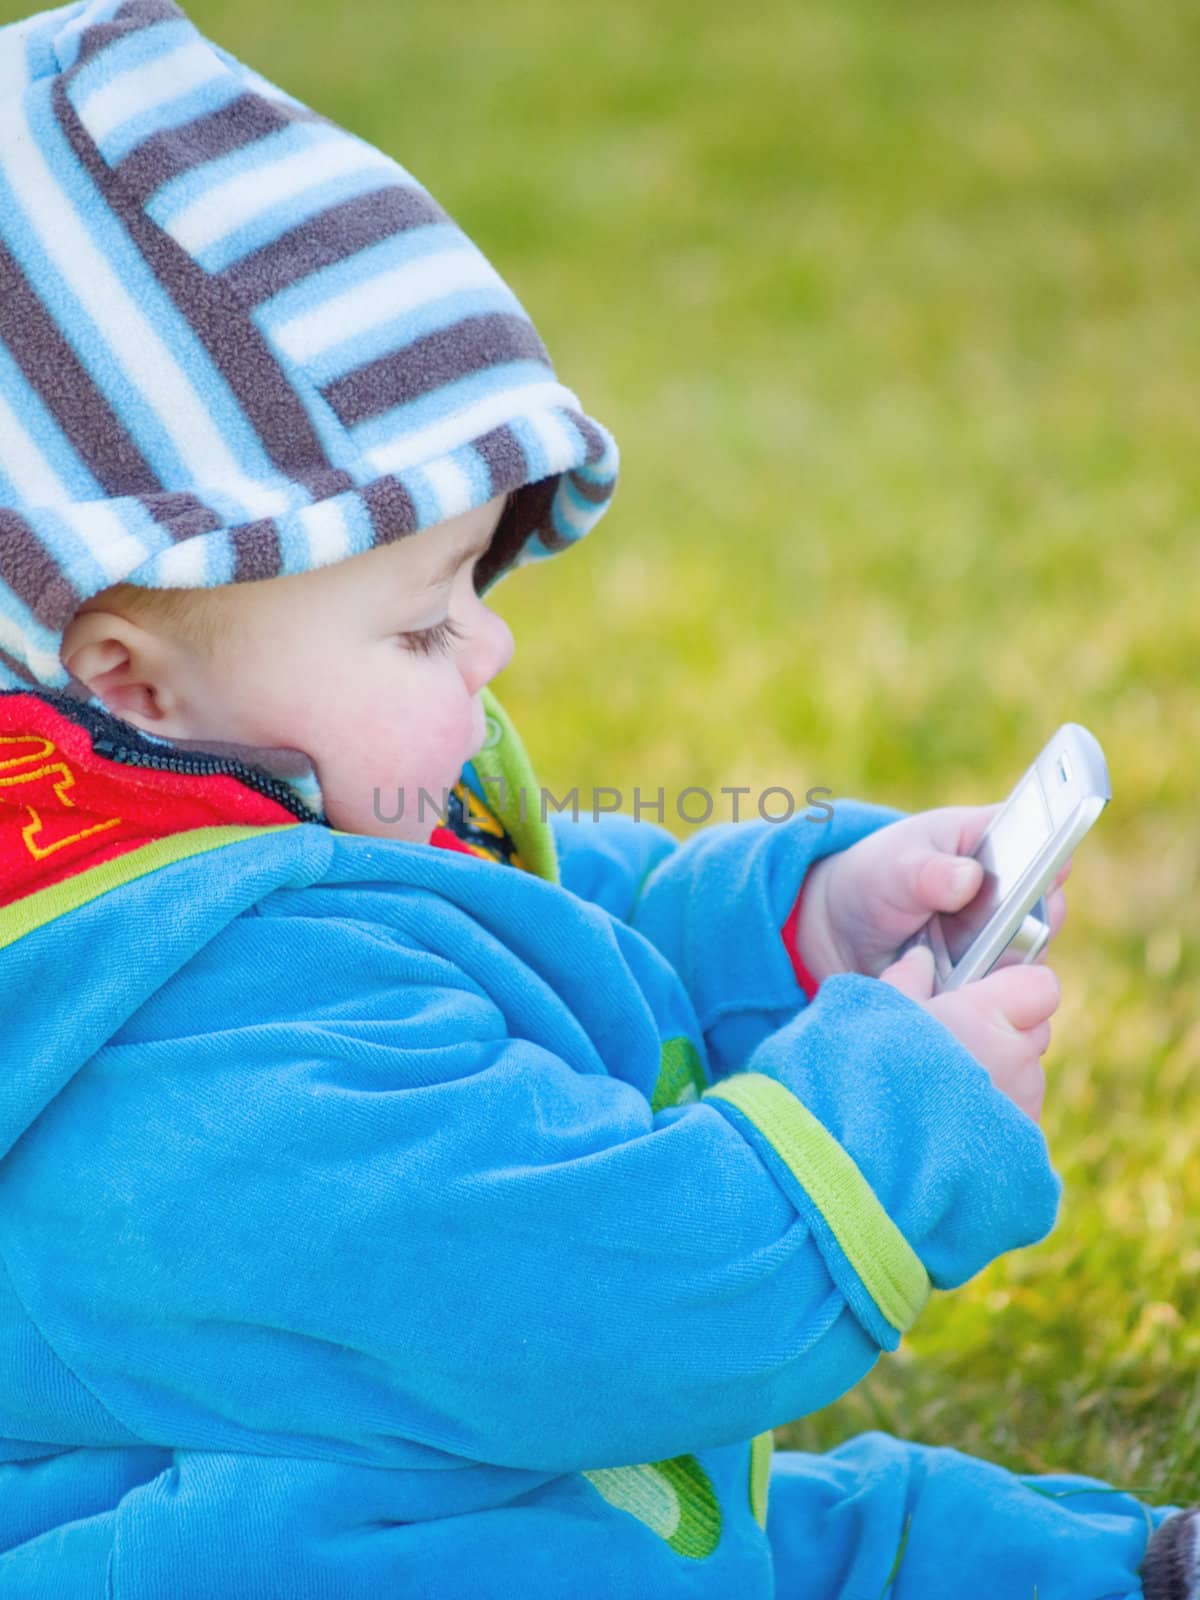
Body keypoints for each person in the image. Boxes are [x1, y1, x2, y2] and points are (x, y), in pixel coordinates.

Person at [0, 1, 1192, 1594]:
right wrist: (883, 1131)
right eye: (424, 619)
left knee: (749, 1529)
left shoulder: (253, 786)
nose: (488, 639)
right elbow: (598, 1299)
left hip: (456, 1484)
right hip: (316, 1547)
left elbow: (547, 929)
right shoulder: (181, 1046)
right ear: (129, 674)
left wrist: (797, 931)